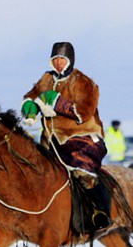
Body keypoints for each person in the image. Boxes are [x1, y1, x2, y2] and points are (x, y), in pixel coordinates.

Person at [21, 42, 109, 230]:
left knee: (81, 172)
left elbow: (84, 112)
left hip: (81, 138)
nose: (58, 63)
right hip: (51, 140)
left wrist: (58, 103)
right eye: (55, 59)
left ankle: (99, 212)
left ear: (70, 60)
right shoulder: (46, 78)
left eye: (62, 59)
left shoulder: (83, 82)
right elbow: (32, 95)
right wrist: (30, 106)